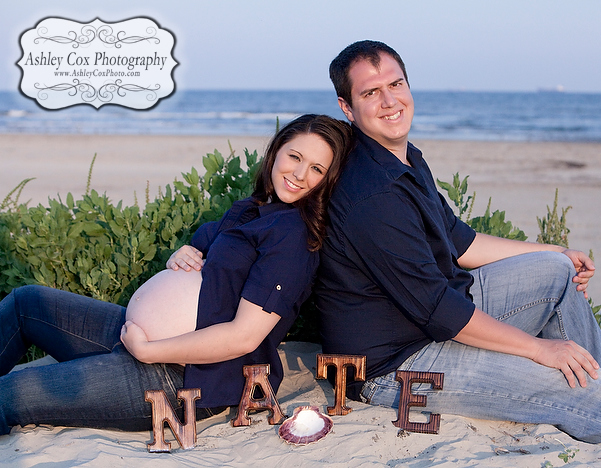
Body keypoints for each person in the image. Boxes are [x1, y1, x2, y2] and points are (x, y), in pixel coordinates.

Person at [315, 40, 601, 444]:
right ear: (347, 107)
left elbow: (462, 242)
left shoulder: (401, 158)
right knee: (561, 380)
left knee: (557, 273)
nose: (389, 101)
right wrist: (540, 350)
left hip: (437, 320)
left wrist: (556, 251)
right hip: (396, 366)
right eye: (371, 93)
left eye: (396, 84)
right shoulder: (373, 195)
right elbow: (440, 311)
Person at [0, 113, 353, 435]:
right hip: (136, 339)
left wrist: (149, 352)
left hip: (180, 378)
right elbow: (212, 249)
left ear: (327, 180)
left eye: (317, 169)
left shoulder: (293, 237)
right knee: (26, 302)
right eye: (295, 157)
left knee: (7, 395)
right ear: (277, 151)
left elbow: (243, 337)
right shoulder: (255, 207)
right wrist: (186, 251)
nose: (299, 174)